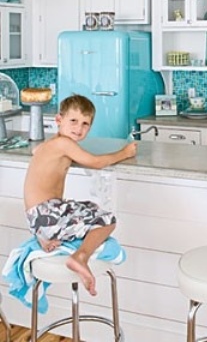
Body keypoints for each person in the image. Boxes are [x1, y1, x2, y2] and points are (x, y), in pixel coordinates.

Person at [23, 94, 137, 296]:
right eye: (73, 121)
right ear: (59, 120)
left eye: (85, 124)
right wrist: (124, 153)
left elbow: (37, 152)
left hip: (38, 218)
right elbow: (95, 162)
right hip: (48, 213)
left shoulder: (54, 143)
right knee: (107, 220)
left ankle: (45, 237)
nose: (79, 128)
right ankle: (80, 257)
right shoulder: (64, 144)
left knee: (88, 207)